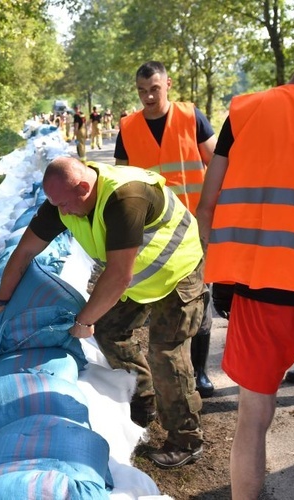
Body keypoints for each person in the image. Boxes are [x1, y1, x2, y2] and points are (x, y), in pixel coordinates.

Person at [196, 11, 294, 498]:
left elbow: (207, 206)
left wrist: (222, 273)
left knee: (253, 419)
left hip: (259, 295)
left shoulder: (243, 112)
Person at [0, 156, 205, 469]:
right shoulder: (63, 203)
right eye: (57, 205)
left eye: (65, 204)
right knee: (109, 330)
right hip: (138, 278)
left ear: (83, 187)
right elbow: (25, 251)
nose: (62, 212)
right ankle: (143, 398)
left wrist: (84, 321)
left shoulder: (125, 198)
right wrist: (2, 300)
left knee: (166, 354)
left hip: (177, 274)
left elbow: (119, 275)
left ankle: (186, 439)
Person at [115, 60, 218, 398]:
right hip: (153, 235)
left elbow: (217, 164)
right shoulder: (128, 128)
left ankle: (200, 374)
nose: (148, 97)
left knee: (200, 303)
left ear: (168, 84)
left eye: (154, 89)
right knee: (164, 306)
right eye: (142, 91)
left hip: (195, 229)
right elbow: (121, 181)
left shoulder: (191, 117)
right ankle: (170, 378)